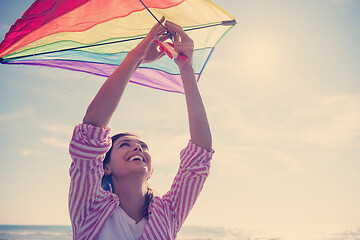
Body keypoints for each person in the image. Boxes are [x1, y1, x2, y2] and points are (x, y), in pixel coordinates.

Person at [68, 18, 214, 240]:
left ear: (151, 170)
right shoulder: (89, 208)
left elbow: (199, 155)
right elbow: (92, 129)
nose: (138, 149)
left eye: (143, 146)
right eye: (125, 145)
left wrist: (186, 68)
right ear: (105, 167)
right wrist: (136, 57)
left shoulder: (168, 213)